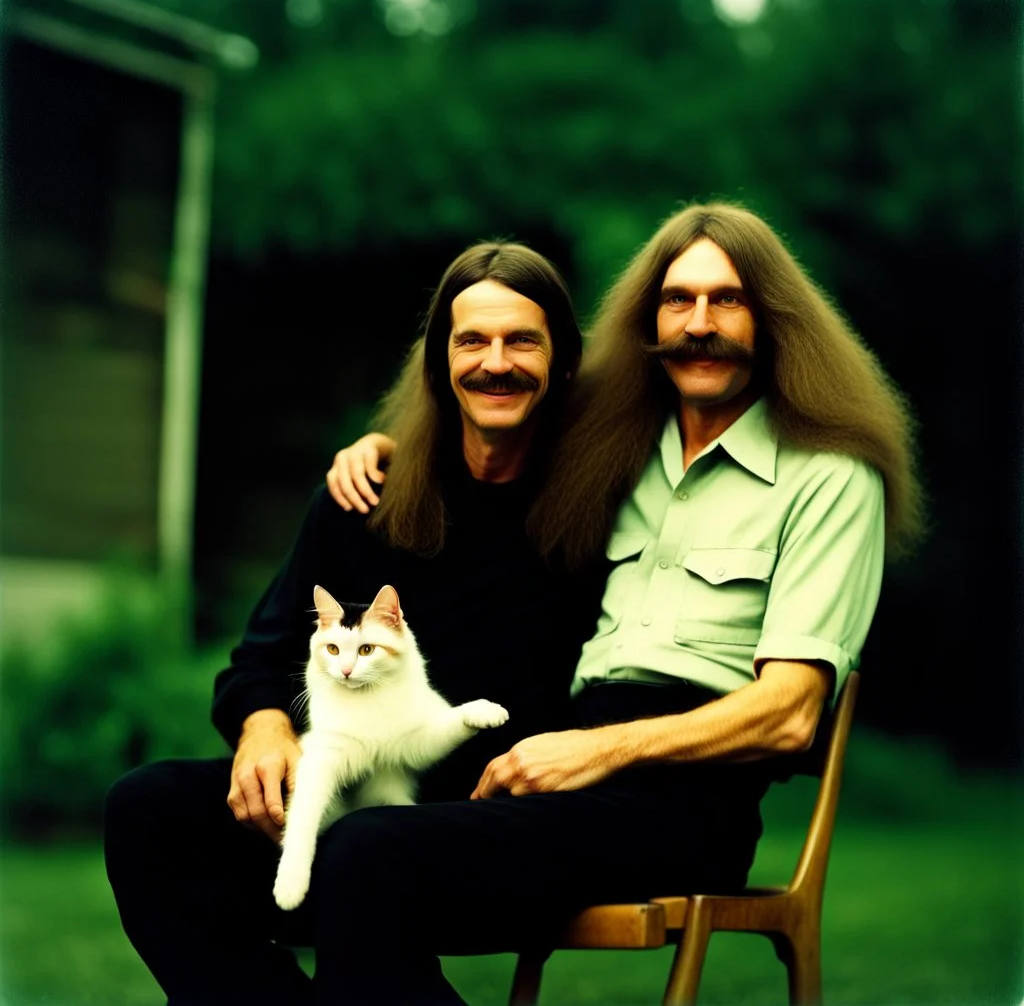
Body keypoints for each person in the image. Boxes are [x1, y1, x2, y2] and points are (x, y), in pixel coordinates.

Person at [311, 201, 924, 1004]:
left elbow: (790, 712)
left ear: (773, 319)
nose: (699, 322)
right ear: (650, 320)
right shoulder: (611, 446)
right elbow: (494, 420)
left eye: (727, 299)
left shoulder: (831, 476)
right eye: (678, 300)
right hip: (563, 777)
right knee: (353, 858)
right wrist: (391, 449)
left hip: (686, 803)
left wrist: (598, 751)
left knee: (367, 855)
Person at [103, 240, 608, 1006]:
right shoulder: (365, 498)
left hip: (495, 826)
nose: (494, 361)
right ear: (439, 361)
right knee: (148, 810)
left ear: (563, 362)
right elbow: (260, 656)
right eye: (471, 340)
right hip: (348, 798)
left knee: (365, 856)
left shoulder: (602, 508)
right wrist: (265, 728)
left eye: (522, 341)